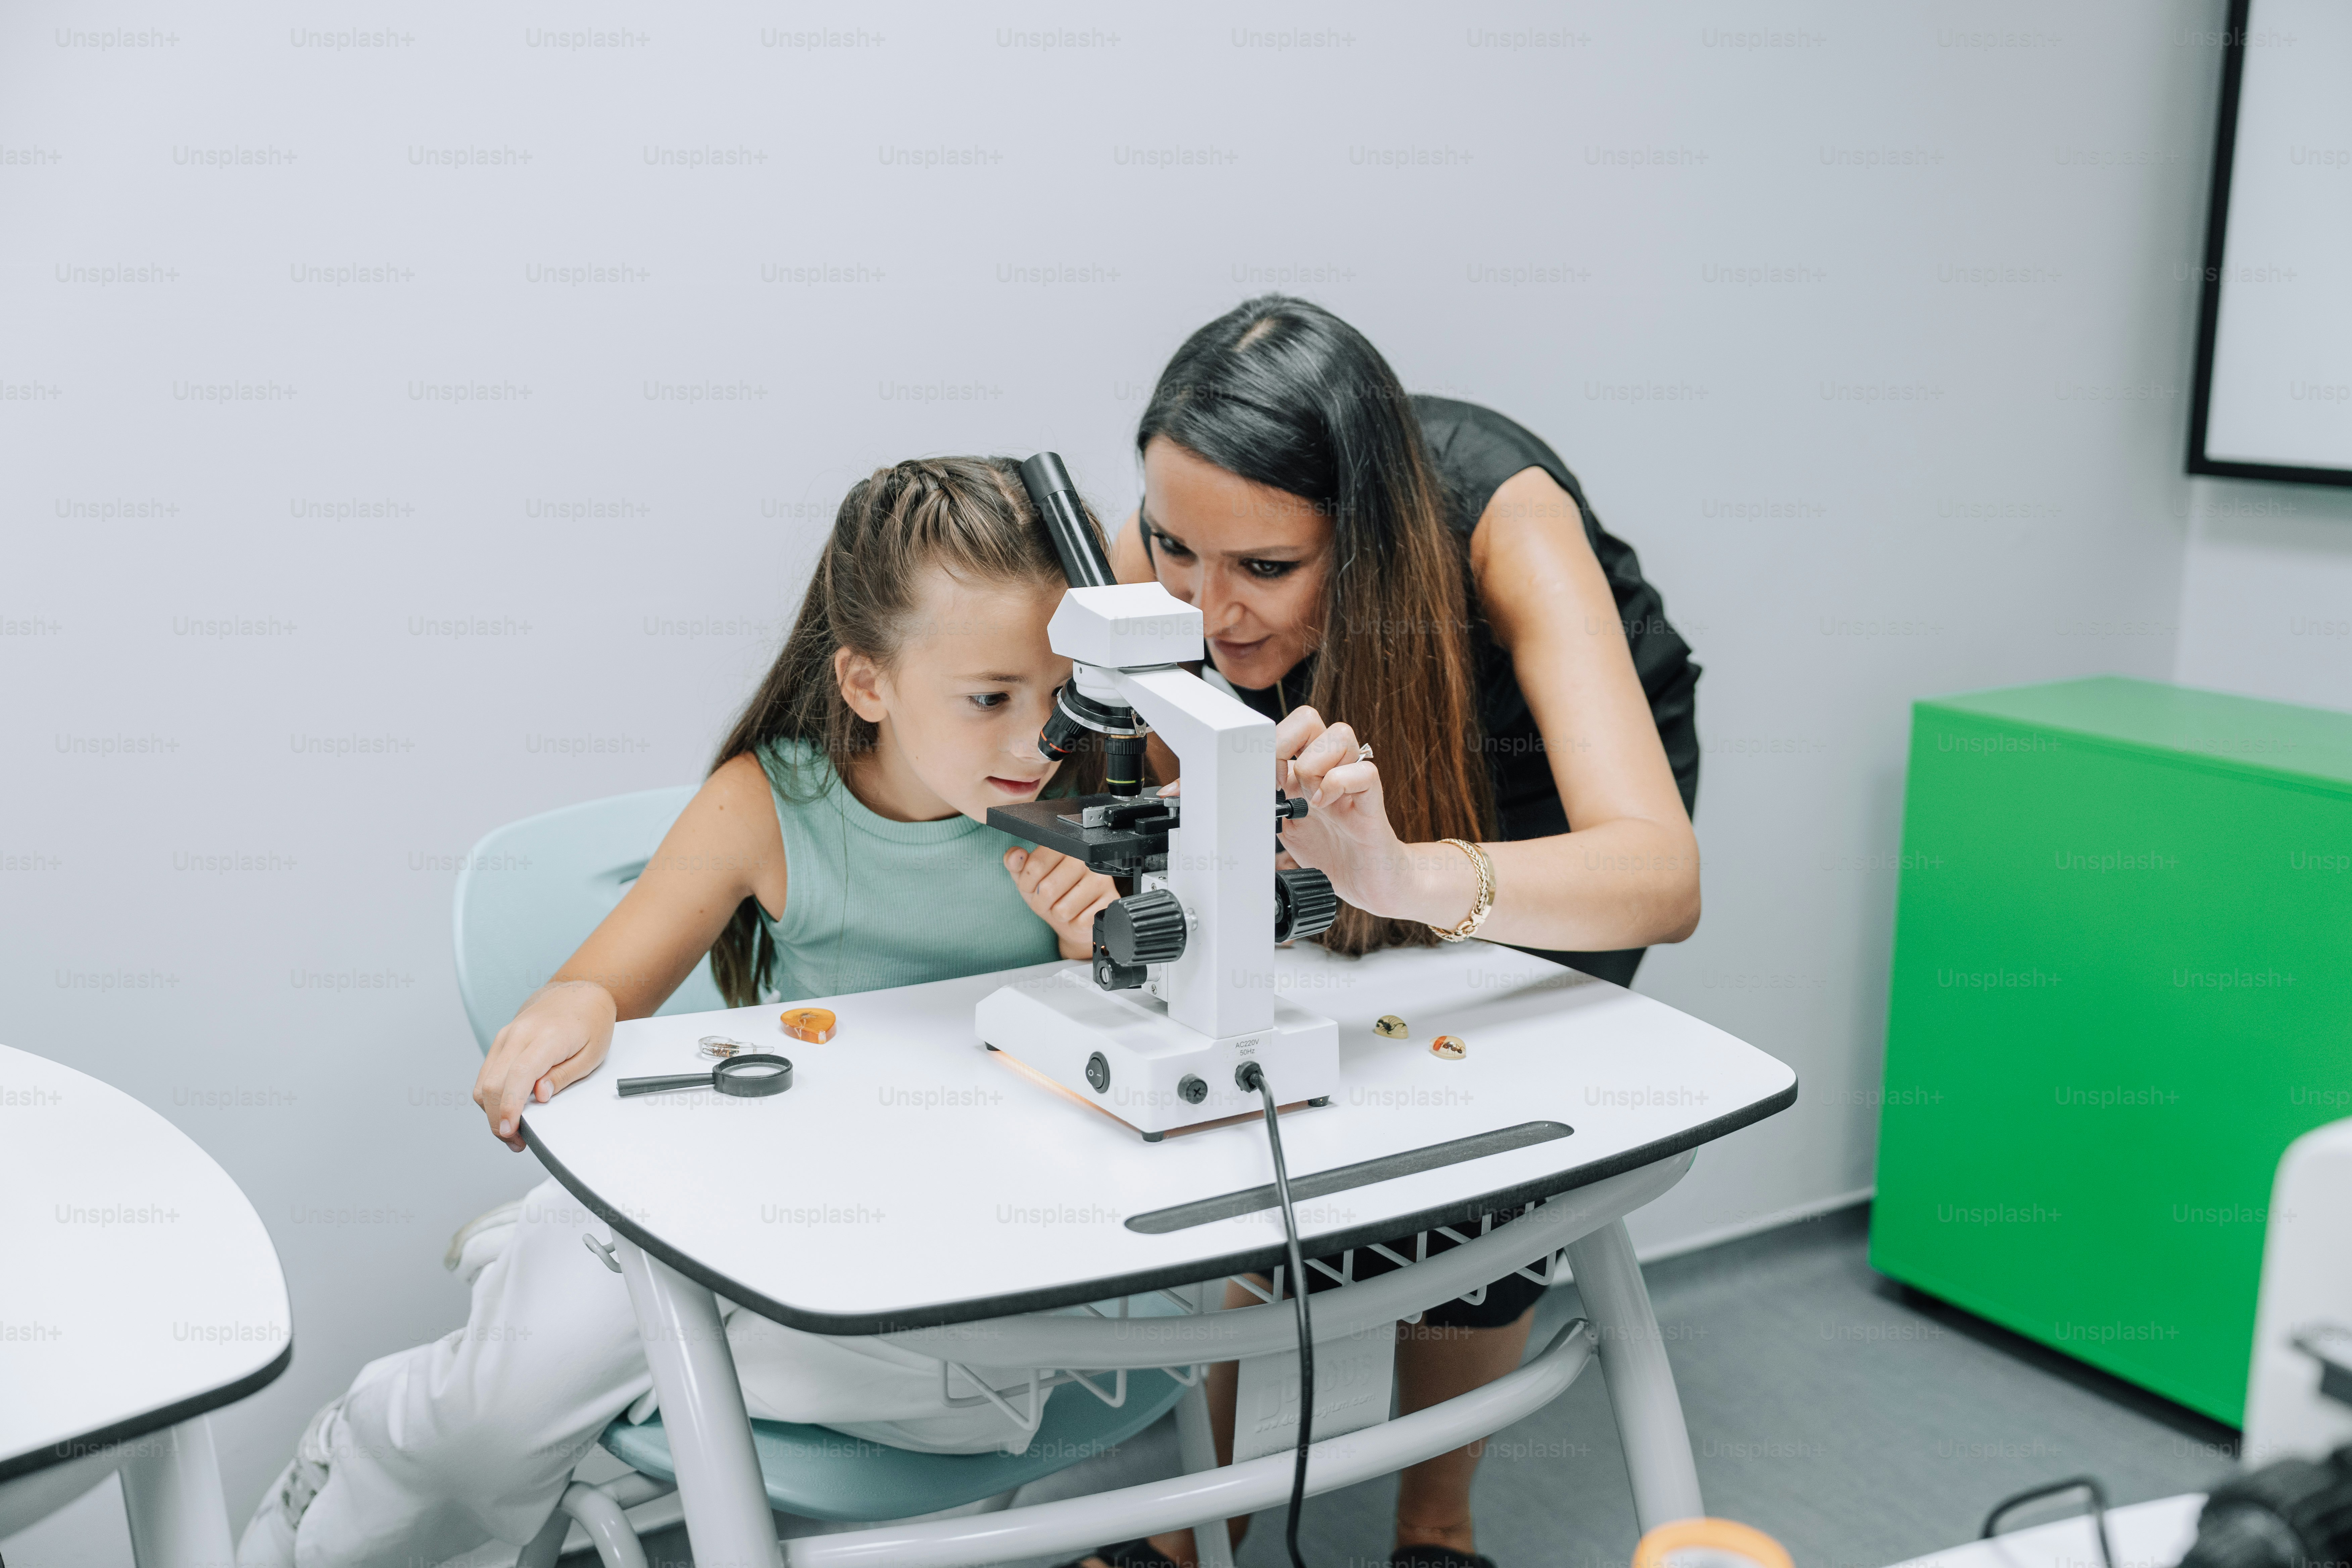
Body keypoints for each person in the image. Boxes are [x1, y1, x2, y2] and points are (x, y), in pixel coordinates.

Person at [239, 457, 1123, 1568]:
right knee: (492, 1426)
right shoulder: (771, 802)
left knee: (962, 1399)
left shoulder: (1102, 800)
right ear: (868, 685)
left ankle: (539, 1285)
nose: (1037, 740)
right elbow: (600, 985)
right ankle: (376, 1433)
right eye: (991, 698)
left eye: (1065, 694)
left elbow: (1130, 1075)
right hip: (753, 1188)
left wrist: (1098, 958)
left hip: (942, 1227)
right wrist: (571, 1008)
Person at [1072, 297, 1703, 1568]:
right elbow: (1122, 758)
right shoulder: (1174, 535)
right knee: (1280, 1131)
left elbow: (1657, 880)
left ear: (1362, 544)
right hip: (1341, 762)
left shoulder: (1504, 520)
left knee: (1485, 1169)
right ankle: (1199, 1535)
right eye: (1177, 551)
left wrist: (1408, 877)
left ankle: (1439, 1526)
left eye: (1264, 569)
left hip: (1531, 799)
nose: (1206, 607)